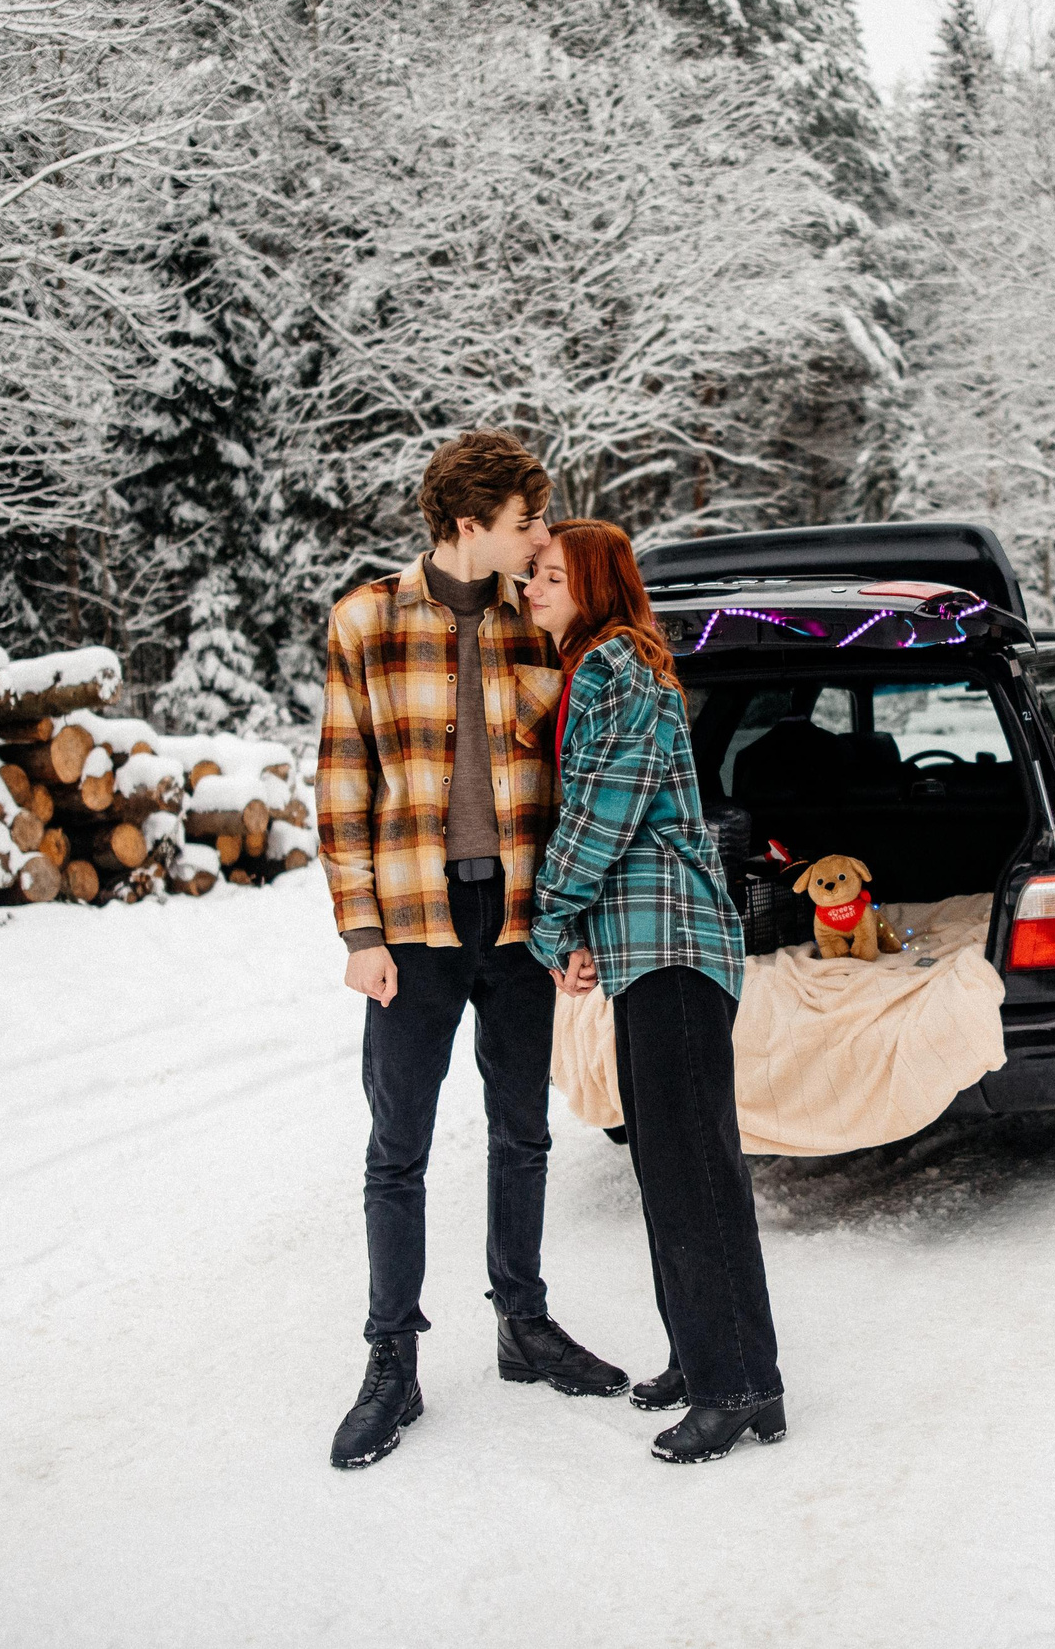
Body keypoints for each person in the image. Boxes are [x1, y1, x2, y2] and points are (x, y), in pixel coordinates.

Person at [316, 433, 629, 1472]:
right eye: (526, 520)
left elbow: (576, 780)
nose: (542, 536)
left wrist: (573, 926)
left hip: (521, 923)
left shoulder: (537, 621)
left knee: (523, 1130)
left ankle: (522, 1323)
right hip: (410, 919)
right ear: (468, 522)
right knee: (395, 1145)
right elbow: (341, 785)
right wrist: (360, 930)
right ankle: (391, 1358)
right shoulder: (365, 618)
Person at [521, 519, 786, 1464]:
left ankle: (734, 1387)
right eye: (530, 573)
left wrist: (551, 921)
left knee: (688, 1166)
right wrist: (589, 931)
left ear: (594, 582)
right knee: (676, 1162)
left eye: (549, 575)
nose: (531, 587)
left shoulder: (613, 667)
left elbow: (603, 812)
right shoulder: (610, 665)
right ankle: (716, 1357)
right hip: (648, 945)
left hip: (671, 947)